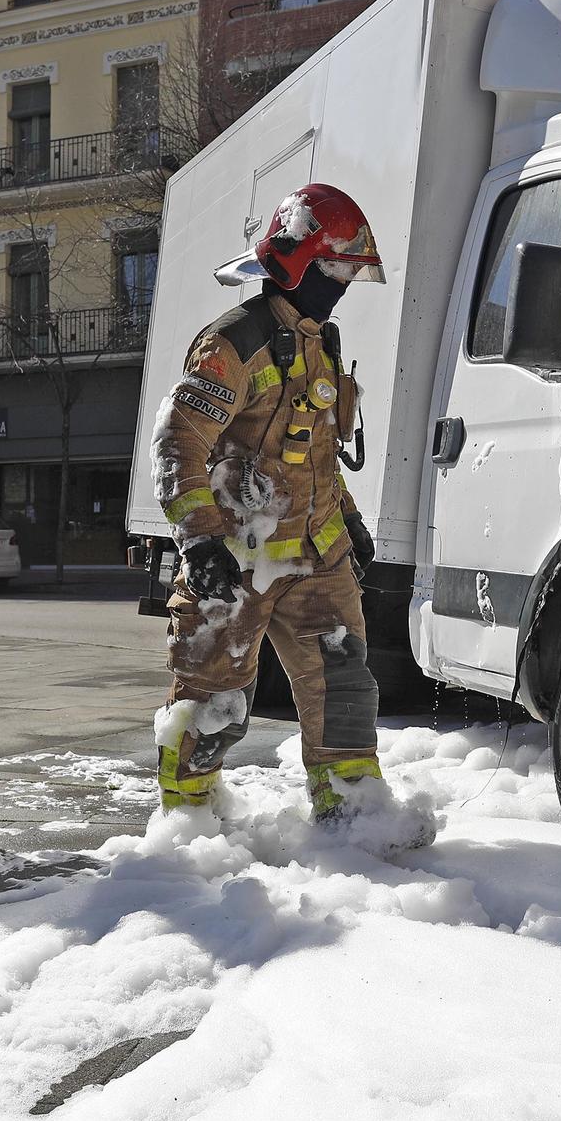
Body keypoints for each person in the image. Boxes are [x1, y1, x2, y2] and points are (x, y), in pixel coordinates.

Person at [152, 182, 425, 838]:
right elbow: (177, 444)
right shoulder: (232, 344)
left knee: (343, 688)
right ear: (297, 260)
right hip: (237, 559)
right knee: (213, 698)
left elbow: (317, 454)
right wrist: (199, 545)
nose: (345, 284)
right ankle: (189, 835)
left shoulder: (320, 342)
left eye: (350, 272)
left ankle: (354, 818)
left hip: (316, 560)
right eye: (337, 269)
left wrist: (351, 521)